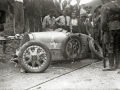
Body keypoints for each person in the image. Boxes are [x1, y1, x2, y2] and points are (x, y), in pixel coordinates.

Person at [101, 0, 120, 71]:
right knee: (117, 46)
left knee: (110, 46)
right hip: (118, 27)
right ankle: (118, 64)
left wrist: (103, 29)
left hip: (110, 28)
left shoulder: (105, 6)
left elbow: (103, 21)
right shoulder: (117, 5)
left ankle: (111, 66)